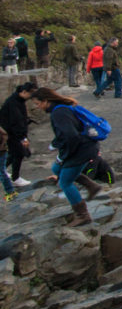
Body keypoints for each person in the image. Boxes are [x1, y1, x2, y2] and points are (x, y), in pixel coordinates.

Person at [31, 88, 101, 226]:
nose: (37, 107)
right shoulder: (62, 109)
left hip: (81, 150)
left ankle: (83, 215)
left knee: (65, 182)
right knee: (56, 168)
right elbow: (66, 134)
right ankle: (92, 186)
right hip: (85, 147)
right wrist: (56, 145)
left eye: (38, 103)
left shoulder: (59, 113)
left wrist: (64, 156)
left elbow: (71, 136)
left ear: (45, 101)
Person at [0, 82, 36, 187]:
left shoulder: (17, 101)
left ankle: (3, 170)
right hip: (12, 133)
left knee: (13, 153)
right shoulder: (13, 103)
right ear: (24, 92)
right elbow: (17, 122)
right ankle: (15, 178)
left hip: (12, 132)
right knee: (18, 154)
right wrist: (23, 138)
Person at [0, 123, 19, 201]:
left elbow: (4, 135)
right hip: (2, 151)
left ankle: (10, 192)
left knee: (1, 172)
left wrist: (1, 147)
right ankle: (10, 192)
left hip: (1, 152)